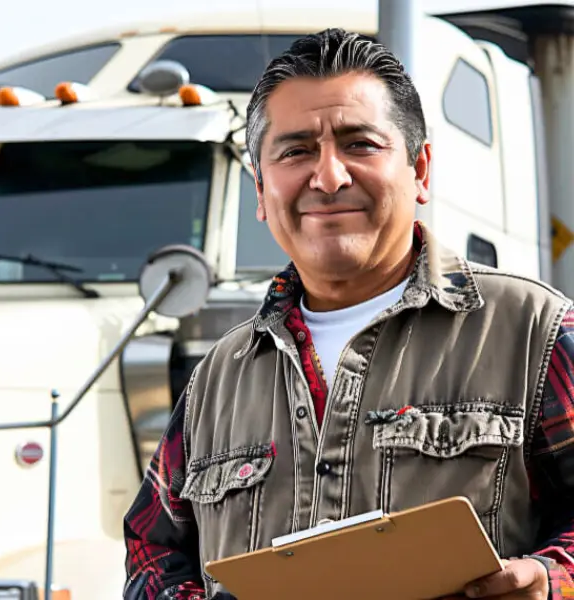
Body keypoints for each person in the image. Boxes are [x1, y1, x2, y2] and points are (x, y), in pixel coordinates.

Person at [122, 28, 574, 599]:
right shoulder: (217, 379)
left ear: (421, 171)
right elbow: (151, 549)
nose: (329, 177)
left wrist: (553, 580)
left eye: (359, 144)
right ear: (260, 190)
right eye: (295, 151)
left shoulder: (534, 331)